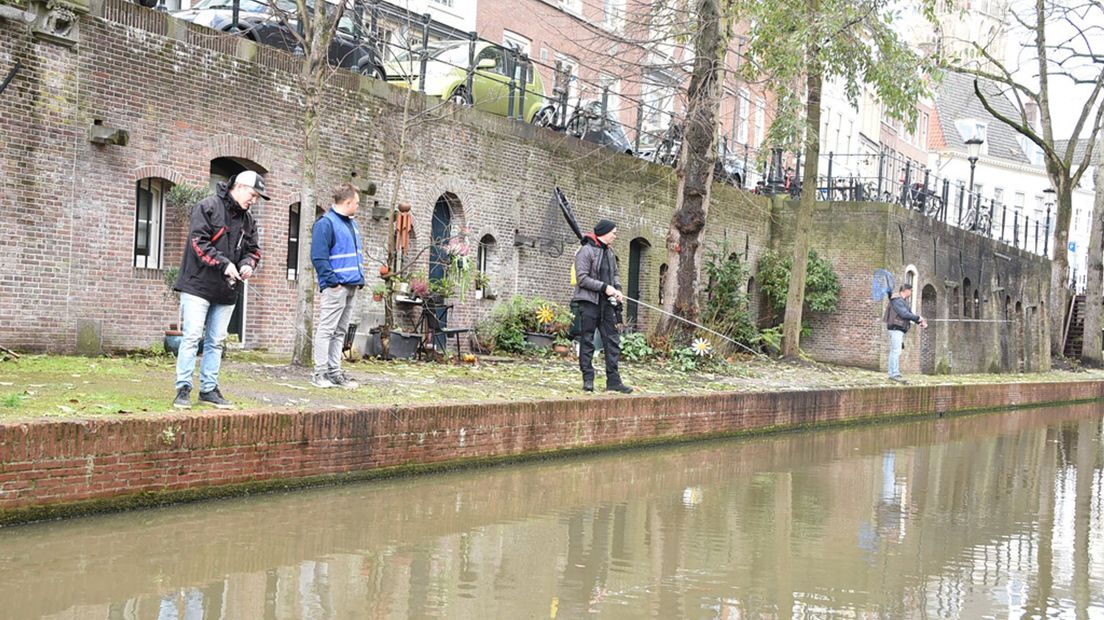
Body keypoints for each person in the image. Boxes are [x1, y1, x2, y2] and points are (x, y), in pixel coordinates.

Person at [172, 170, 265, 409]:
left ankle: (209, 389)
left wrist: (246, 266)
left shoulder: (248, 221)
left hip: (227, 290)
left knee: (216, 342)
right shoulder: (208, 207)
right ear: (240, 187)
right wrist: (225, 264)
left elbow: (253, 251)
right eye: (253, 195)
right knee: (192, 337)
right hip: (197, 285)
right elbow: (197, 243)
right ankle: (183, 388)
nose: (253, 201)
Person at [310, 183, 364, 389]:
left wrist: (360, 280)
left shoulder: (351, 224)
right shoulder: (326, 223)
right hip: (337, 287)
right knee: (327, 329)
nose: (358, 206)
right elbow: (318, 257)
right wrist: (331, 282)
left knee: (340, 331)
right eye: (357, 203)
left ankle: (334, 372)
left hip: (351, 285)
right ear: (348, 202)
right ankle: (320, 373)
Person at [573, 219, 632, 394]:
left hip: (607, 305)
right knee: (588, 340)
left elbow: (615, 275)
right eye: (613, 232)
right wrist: (605, 288)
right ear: (604, 233)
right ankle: (588, 380)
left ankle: (613, 381)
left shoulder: (610, 253)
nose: (615, 235)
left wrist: (618, 290)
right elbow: (582, 278)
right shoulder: (585, 251)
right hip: (589, 303)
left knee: (612, 341)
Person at [885, 283, 927, 384]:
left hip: (899, 329)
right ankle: (894, 373)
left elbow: (910, 314)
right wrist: (918, 318)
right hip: (895, 328)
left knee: (895, 350)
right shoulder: (897, 300)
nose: (911, 292)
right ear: (906, 290)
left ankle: (893, 373)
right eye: (911, 290)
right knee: (896, 351)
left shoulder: (902, 301)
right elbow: (904, 314)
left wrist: (919, 322)